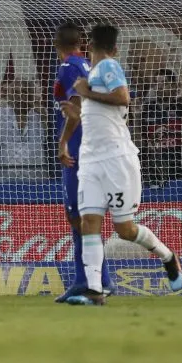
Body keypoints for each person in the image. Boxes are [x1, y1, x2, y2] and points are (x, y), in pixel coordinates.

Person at [60, 24, 182, 305]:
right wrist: (69, 131)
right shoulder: (91, 75)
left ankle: (167, 257)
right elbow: (88, 112)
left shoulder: (109, 66)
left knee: (124, 229)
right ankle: (94, 290)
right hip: (90, 159)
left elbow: (123, 97)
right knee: (88, 221)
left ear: (93, 46)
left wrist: (86, 94)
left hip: (116, 158)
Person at [52, 23, 112, 302]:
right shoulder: (87, 65)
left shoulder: (68, 68)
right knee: (81, 217)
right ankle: (86, 280)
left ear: (56, 44)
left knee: (79, 217)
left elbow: (74, 111)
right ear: (81, 42)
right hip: (92, 146)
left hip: (77, 149)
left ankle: (97, 281)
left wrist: (63, 143)